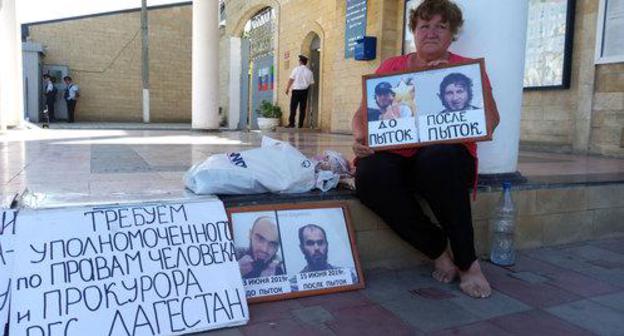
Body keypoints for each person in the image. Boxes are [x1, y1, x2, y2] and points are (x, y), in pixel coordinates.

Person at [352, 0, 500, 298]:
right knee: (369, 175)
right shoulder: (391, 67)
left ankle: (468, 262)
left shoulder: (465, 68)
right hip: (400, 153)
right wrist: (360, 137)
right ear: (414, 32)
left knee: (438, 158)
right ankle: (436, 248)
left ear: (452, 33)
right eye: (424, 26)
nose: (431, 33)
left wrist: (445, 81)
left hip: (445, 158)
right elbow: (362, 116)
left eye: (440, 26)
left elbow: (492, 121)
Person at [284, 55, 314, 128]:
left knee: (293, 108)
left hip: (296, 91)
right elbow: (311, 83)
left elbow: (291, 79)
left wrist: (287, 88)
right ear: (306, 63)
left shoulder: (296, 69)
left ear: (300, 61)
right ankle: (300, 125)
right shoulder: (310, 72)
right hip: (304, 92)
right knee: (302, 109)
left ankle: (291, 123)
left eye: (299, 61)